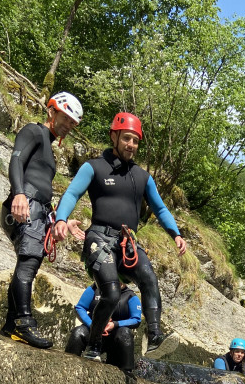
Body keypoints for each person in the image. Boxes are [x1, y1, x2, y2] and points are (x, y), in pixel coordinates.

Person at [53, 111, 186, 360]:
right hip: (99, 239)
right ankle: (93, 344)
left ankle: (155, 337)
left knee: (149, 278)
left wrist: (175, 234)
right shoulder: (93, 167)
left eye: (135, 140)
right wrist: (61, 218)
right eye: (126, 138)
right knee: (112, 293)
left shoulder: (142, 177)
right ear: (113, 136)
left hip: (127, 241)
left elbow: (160, 208)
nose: (131, 144)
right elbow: (72, 193)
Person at [0, 91, 84, 348]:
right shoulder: (34, 131)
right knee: (29, 262)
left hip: (37, 209)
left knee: (28, 262)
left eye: (73, 123)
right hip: (25, 204)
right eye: (66, 118)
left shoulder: (48, 145)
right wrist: (19, 193)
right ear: (51, 111)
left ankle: (11, 325)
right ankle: (24, 323)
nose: (69, 125)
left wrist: (59, 220)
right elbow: (16, 160)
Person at [65, 282, 141, 370]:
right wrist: (93, 325)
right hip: (92, 332)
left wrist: (115, 324)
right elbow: (80, 307)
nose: (119, 281)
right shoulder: (94, 288)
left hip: (114, 337)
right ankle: (68, 365)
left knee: (125, 333)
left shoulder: (131, 296)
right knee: (78, 332)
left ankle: (127, 371)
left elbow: (136, 319)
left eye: (122, 279)